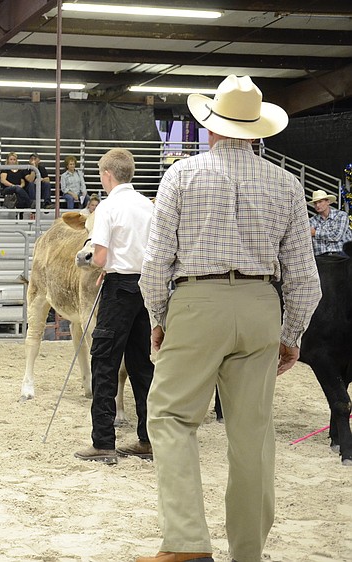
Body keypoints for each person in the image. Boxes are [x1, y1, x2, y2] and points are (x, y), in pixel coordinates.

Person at [138, 75, 322, 562]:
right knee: (253, 435)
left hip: (197, 302)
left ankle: (187, 543)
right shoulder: (287, 183)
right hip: (262, 303)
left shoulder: (181, 175)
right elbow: (305, 278)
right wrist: (292, 334)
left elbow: (156, 262)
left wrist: (159, 316)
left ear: (212, 125)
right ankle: (247, 554)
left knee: (172, 416)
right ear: (258, 132)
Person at [73, 148, 155, 466]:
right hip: (145, 289)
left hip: (118, 290)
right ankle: (147, 439)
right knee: (141, 366)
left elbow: (101, 257)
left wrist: (89, 258)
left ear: (107, 175)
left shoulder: (109, 207)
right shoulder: (148, 206)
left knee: (104, 362)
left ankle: (103, 442)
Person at [309, 189, 351, 256]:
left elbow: (336, 236)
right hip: (321, 257)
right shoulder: (311, 220)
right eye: (315, 203)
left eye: (320, 202)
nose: (317, 205)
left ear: (328, 202)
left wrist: (315, 233)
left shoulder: (341, 215)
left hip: (341, 256)